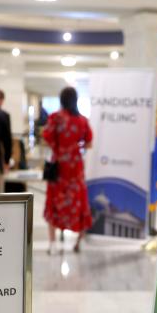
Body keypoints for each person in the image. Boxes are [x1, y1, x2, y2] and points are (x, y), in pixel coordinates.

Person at [44, 87, 93, 253]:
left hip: (58, 167)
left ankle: (52, 244)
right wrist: (76, 146)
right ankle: (78, 243)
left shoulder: (55, 118)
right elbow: (88, 143)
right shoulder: (82, 121)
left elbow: (47, 138)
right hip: (75, 168)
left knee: (54, 203)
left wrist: (60, 148)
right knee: (78, 202)